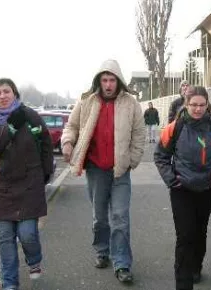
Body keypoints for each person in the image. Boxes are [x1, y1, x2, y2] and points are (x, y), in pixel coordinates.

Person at [61, 59, 145, 283]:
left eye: (112, 80)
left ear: (119, 81)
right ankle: (101, 251)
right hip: (96, 170)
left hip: (120, 171)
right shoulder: (86, 101)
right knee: (100, 219)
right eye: (104, 80)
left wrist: (132, 160)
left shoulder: (130, 104)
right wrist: (68, 142)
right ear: (99, 81)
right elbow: (71, 126)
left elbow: (139, 133)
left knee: (120, 218)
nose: (108, 84)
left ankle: (122, 263)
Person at [154, 86, 211, 290]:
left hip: (207, 189)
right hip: (181, 189)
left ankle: (196, 266)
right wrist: (172, 180)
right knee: (185, 235)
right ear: (186, 104)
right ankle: (183, 283)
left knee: (200, 231)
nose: (198, 109)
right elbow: (160, 156)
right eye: (194, 105)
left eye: (202, 105)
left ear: (207, 105)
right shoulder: (175, 128)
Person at [0, 78, 54, 290]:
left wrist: (46, 172)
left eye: (6, 91)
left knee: (28, 233)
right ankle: (10, 283)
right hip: (1, 188)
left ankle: (34, 259)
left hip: (30, 185)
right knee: (5, 239)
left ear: (15, 94)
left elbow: (46, 144)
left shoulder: (31, 116)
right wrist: (10, 126)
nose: (2, 96)